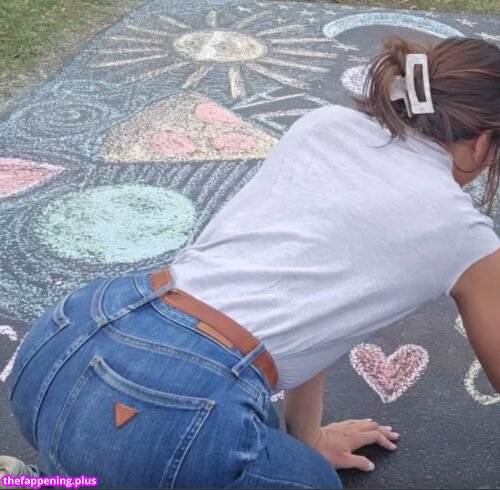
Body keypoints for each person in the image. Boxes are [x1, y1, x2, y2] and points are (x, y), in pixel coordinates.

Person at [1, 35, 500, 489]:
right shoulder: (463, 234)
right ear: (482, 141)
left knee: (136, 450)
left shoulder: (325, 125)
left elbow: (304, 304)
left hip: (70, 333)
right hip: (174, 397)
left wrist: (309, 440)